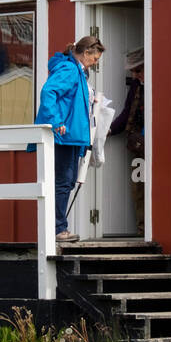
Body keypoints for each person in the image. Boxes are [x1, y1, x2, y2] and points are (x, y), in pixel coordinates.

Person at [35, 34, 103, 242]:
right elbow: (49, 92)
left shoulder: (77, 71)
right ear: (84, 54)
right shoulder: (70, 70)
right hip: (63, 135)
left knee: (68, 181)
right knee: (64, 181)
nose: (95, 63)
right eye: (94, 59)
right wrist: (56, 122)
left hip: (72, 135)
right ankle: (58, 228)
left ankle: (58, 226)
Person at [108, 47, 146, 237]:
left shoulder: (162, 82)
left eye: (138, 70)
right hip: (139, 146)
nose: (134, 74)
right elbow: (126, 113)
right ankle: (143, 231)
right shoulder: (137, 86)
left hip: (161, 146)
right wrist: (108, 130)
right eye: (133, 71)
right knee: (139, 187)